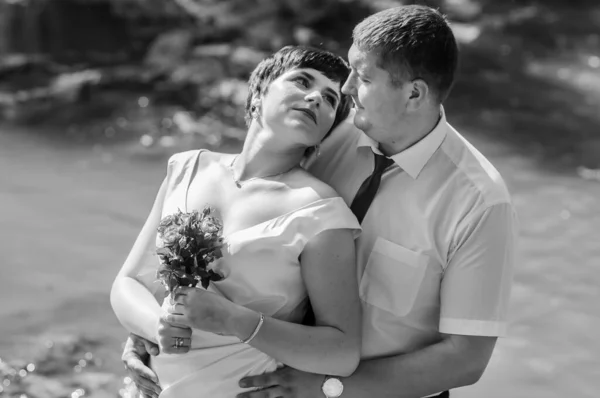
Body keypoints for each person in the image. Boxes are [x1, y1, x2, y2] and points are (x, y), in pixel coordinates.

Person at [124, 5, 518, 398]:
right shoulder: (330, 129)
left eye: (362, 78)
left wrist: (330, 388)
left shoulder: (479, 201)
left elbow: (466, 358)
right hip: (261, 377)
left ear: (414, 93)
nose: (344, 90)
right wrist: (152, 330)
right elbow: (242, 214)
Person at [110, 46, 362, 398]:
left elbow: (342, 353)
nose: (315, 97)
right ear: (259, 93)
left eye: (331, 99)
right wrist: (156, 328)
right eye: (302, 81)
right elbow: (127, 283)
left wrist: (235, 320)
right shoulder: (188, 167)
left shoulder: (321, 213)